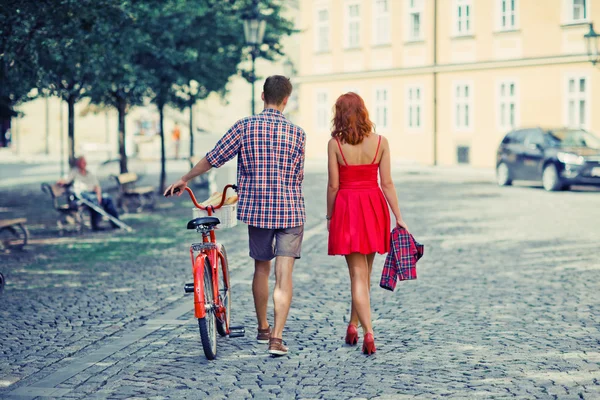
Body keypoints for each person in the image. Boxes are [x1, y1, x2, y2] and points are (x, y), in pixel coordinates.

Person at [165, 76, 306, 357]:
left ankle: (263, 327)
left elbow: (214, 157)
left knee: (261, 269)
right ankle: (276, 339)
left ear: (262, 96)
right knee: (284, 276)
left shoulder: (245, 126)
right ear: (286, 100)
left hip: (259, 211)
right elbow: (297, 176)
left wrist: (185, 177)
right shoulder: (298, 133)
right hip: (290, 210)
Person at [326, 92, 409, 355]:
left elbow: (333, 185)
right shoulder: (381, 142)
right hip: (373, 207)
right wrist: (399, 216)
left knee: (358, 276)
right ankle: (353, 325)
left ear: (339, 114)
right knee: (364, 275)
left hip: (348, 209)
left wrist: (329, 217)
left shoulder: (335, 144)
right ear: (363, 111)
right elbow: (387, 183)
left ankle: (369, 333)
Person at [58, 156, 120, 231]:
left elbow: (97, 186)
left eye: (84, 162)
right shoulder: (74, 172)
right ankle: (96, 224)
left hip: (92, 194)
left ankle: (116, 223)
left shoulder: (90, 173)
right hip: (81, 195)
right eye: (82, 162)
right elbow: (65, 180)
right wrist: (61, 182)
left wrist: (99, 195)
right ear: (78, 163)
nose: (84, 164)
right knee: (93, 200)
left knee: (107, 198)